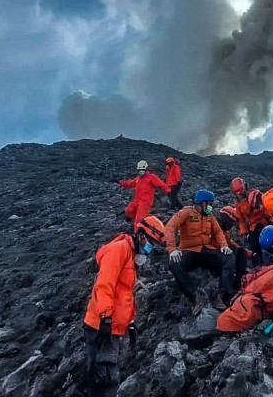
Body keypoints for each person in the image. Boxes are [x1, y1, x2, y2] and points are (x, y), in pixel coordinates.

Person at [83, 216, 165, 397]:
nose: (150, 248)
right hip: (101, 325)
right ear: (142, 235)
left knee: (99, 373)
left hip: (112, 325)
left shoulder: (131, 256)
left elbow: (126, 295)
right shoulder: (119, 250)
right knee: (105, 376)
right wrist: (105, 318)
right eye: (150, 242)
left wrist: (131, 322)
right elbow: (104, 285)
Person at [165, 190, 235, 315]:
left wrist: (224, 246)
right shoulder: (186, 212)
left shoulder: (209, 215)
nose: (211, 206)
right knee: (174, 263)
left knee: (229, 257)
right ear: (202, 203)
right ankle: (194, 295)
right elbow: (170, 227)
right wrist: (172, 249)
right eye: (209, 203)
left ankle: (222, 294)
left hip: (207, 250)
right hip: (189, 251)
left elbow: (218, 231)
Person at [119, 160, 170, 228]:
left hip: (145, 202)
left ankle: (137, 233)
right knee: (128, 211)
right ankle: (144, 222)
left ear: (146, 169)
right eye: (139, 169)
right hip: (137, 200)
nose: (140, 171)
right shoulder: (138, 179)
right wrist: (122, 183)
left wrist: (167, 189)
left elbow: (161, 184)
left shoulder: (152, 177)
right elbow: (130, 183)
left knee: (138, 220)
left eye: (142, 169)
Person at [231, 177, 269, 264]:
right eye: (237, 192)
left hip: (265, 221)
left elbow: (267, 205)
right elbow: (241, 220)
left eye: (241, 190)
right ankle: (259, 265)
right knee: (253, 245)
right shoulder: (238, 205)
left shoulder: (256, 194)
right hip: (254, 226)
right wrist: (244, 232)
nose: (240, 194)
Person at [217, 205, 253, 290]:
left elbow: (232, 244)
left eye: (233, 223)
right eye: (230, 222)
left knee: (240, 252)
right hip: (213, 255)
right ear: (224, 218)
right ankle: (225, 290)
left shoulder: (225, 232)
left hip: (221, 253)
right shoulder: (213, 227)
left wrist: (250, 254)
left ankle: (238, 283)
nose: (231, 225)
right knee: (230, 256)